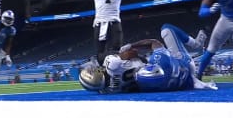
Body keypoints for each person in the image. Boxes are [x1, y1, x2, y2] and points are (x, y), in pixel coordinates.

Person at [79, 23, 217, 94]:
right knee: (166, 29)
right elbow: (151, 44)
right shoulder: (112, 63)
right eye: (93, 71)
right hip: (181, 65)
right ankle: (197, 44)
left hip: (158, 82)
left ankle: (193, 77)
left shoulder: (108, 91)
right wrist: (131, 47)